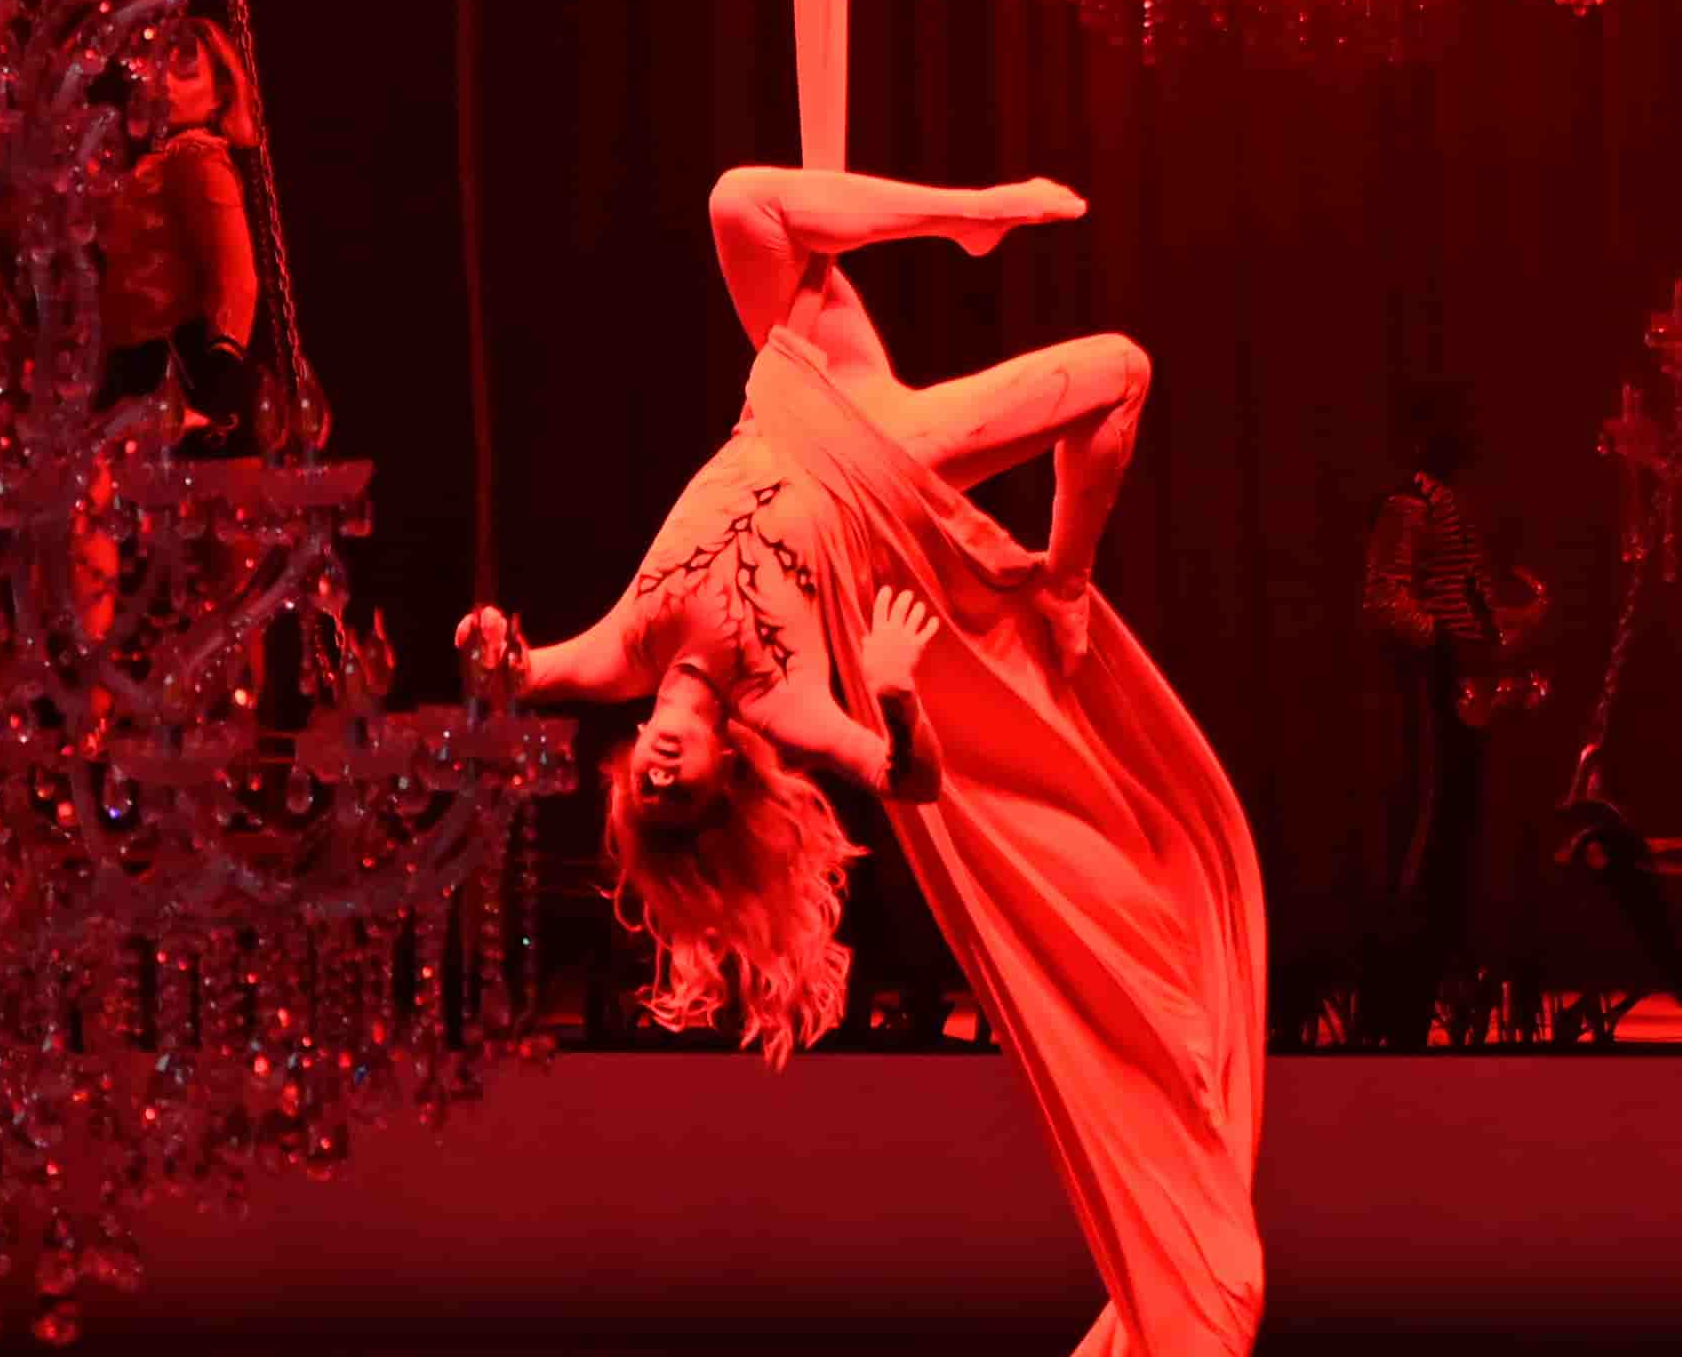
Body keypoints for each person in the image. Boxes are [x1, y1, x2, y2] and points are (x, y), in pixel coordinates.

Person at [460, 167, 1259, 1357]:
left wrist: (487, 649)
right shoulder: (780, 697)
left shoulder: (627, 650)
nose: (663, 766)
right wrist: (890, 691)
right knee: (1122, 371)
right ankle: (1068, 580)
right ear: (724, 773)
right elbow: (907, 778)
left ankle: (967, 216)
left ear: (632, 767)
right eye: (684, 788)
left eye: (645, 785)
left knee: (740, 202)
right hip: (879, 463)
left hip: (799, 394)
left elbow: (522, 671)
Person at [1358, 381, 1542, 1045]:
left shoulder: (1451, 506)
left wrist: (1507, 632)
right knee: (1433, 832)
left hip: (1467, 680)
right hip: (1435, 683)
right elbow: (1383, 599)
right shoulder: (1407, 508)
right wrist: (1446, 642)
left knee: (1460, 837)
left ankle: (1443, 972)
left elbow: (1472, 593)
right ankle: (1404, 996)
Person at [97, 15, 267, 454]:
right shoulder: (156, 164)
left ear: (221, 91)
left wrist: (222, 366)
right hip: (135, 364)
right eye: (159, 72)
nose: (166, 85)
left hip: (180, 363)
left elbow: (236, 275)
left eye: (185, 73)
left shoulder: (198, 158)